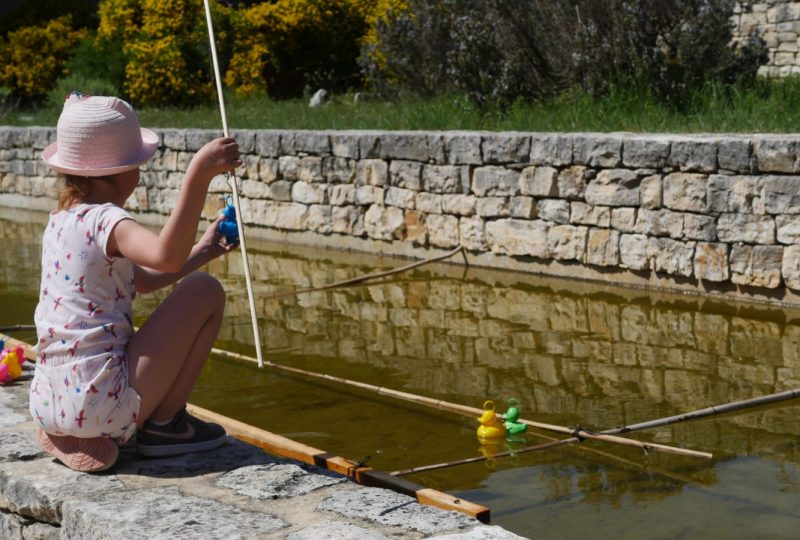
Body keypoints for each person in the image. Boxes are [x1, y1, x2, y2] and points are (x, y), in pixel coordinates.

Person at [29, 93, 241, 472]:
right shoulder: (107, 220)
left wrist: (204, 250)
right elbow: (165, 256)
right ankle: (166, 426)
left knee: (192, 284)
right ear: (123, 169)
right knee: (205, 292)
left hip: (49, 398)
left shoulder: (60, 222)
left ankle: (66, 427)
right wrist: (199, 174)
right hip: (101, 403)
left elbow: (140, 280)